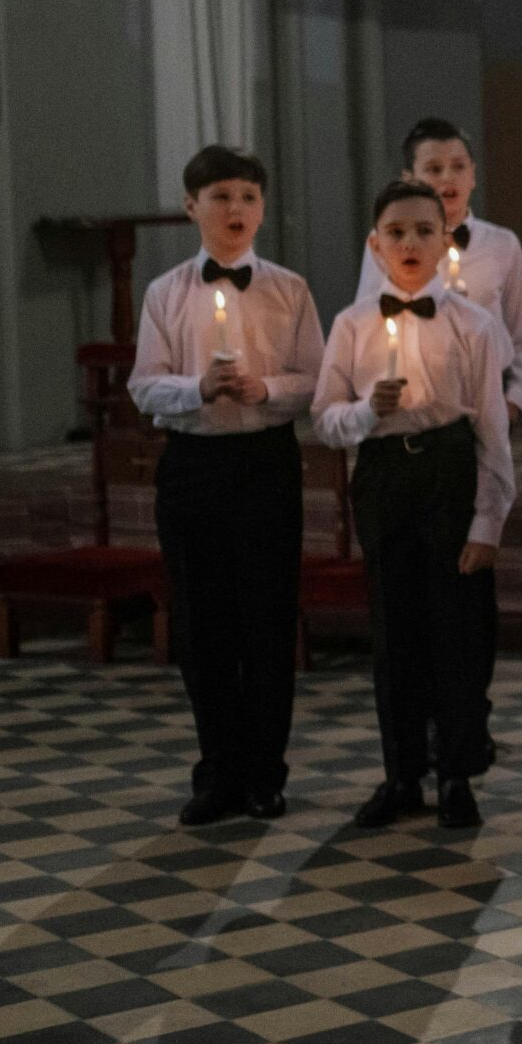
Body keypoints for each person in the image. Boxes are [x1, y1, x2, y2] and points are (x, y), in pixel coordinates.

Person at [130, 145, 325, 826]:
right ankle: (218, 771)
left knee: (268, 620)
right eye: (219, 197)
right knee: (202, 624)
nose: (235, 208)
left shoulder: (289, 289)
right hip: (193, 465)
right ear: (192, 207)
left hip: (265, 462)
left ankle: (267, 774)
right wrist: (197, 386)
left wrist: (265, 386)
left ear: (262, 206)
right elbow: (143, 385)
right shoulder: (165, 292)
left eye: (246, 196)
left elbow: (315, 381)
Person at [314, 179, 517, 832]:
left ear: (445, 241)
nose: (409, 242)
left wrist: (489, 520)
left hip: (450, 474)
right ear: (375, 245)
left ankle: (456, 773)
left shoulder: (475, 324)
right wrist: (361, 412)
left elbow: (491, 430)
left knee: (454, 630)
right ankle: (402, 772)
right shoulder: (349, 325)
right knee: (394, 633)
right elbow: (323, 418)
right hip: (383, 476)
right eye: (396, 232)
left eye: (423, 230)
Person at [357, 119, 522, 424]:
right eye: (433, 169)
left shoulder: (502, 244)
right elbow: (368, 326)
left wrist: (514, 402)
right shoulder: (386, 245)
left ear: (473, 175)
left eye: (458, 167)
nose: (448, 178)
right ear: (409, 179)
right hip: (413, 405)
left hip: (485, 400)